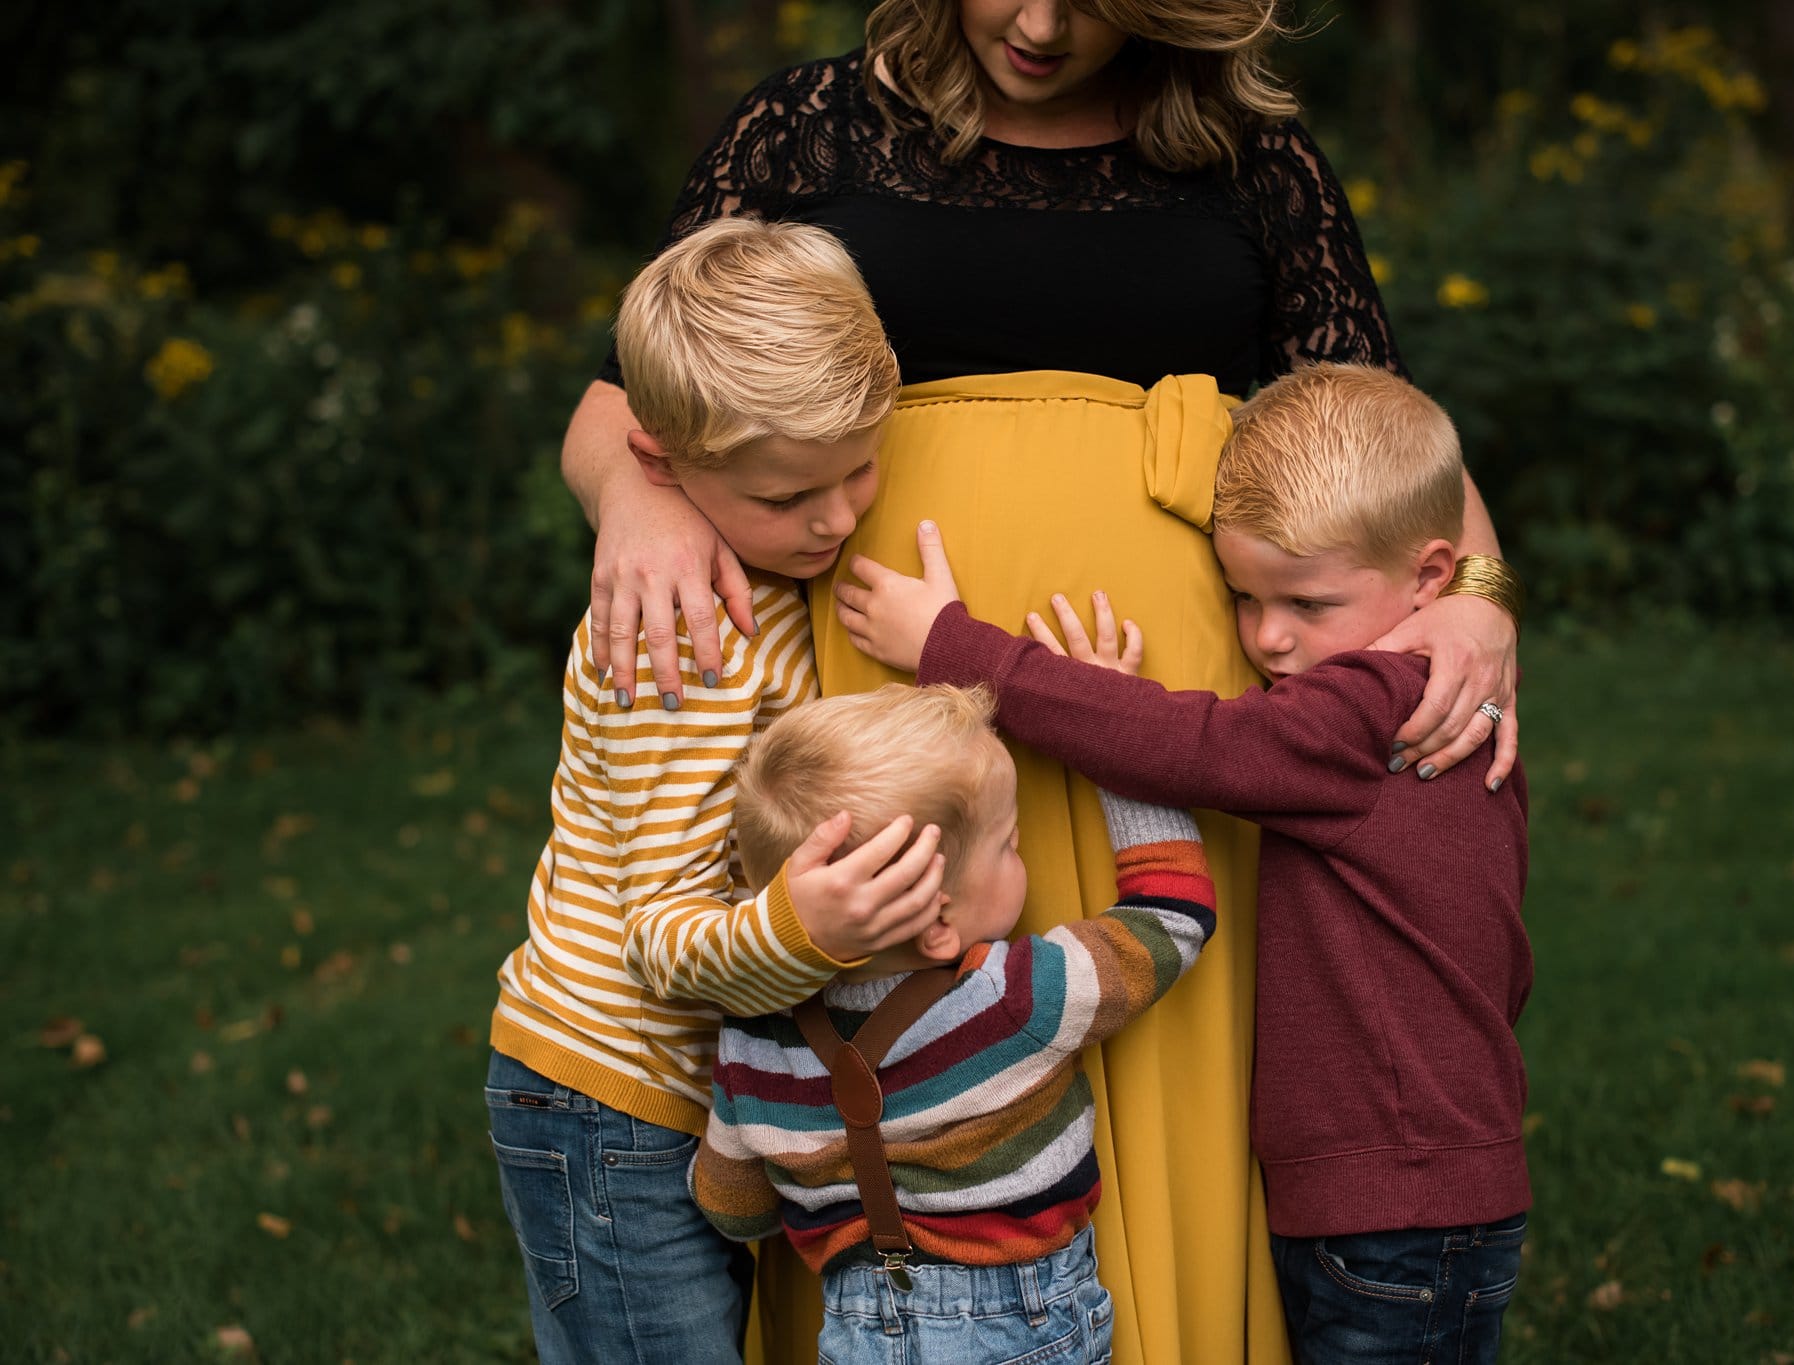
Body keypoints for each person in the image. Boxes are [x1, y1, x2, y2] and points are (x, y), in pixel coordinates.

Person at [560, 5, 1525, 1357]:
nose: (1039, 21)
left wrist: (1478, 600)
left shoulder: (1249, 155)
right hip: (885, 694)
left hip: (1169, 707)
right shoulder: (809, 125)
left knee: (1152, 1007)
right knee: (891, 1032)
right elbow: (634, 400)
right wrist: (634, 506)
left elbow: (1376, 428)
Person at [839, 362, 1533, 1365]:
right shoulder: (1426, 697)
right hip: (1393, 1192)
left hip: (1398, 1204)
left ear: (1432, 577)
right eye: (1243, 599)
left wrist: (953, 646)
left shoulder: (1379, 705)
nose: (1268, 636)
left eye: (1305, 601)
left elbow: (1199, 747)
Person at [485, 218, 953, 1365]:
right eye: (790, 496)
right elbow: (661, 941)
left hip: (689, 1102)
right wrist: (811, 927)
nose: (836, 519)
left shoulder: (778, 568)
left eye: (857, 470)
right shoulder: (683, 644)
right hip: (613, 1102)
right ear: (660, 465)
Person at [691, 683, 1216, 1364]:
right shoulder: (1012, 996)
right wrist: (1116, 746)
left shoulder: (753, 1036)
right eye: (1010, 845)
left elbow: (733, 1207)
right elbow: (1172, 918)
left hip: (855, 1332)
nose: (1018, 854)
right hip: (1021, 1320)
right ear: (941, 922)